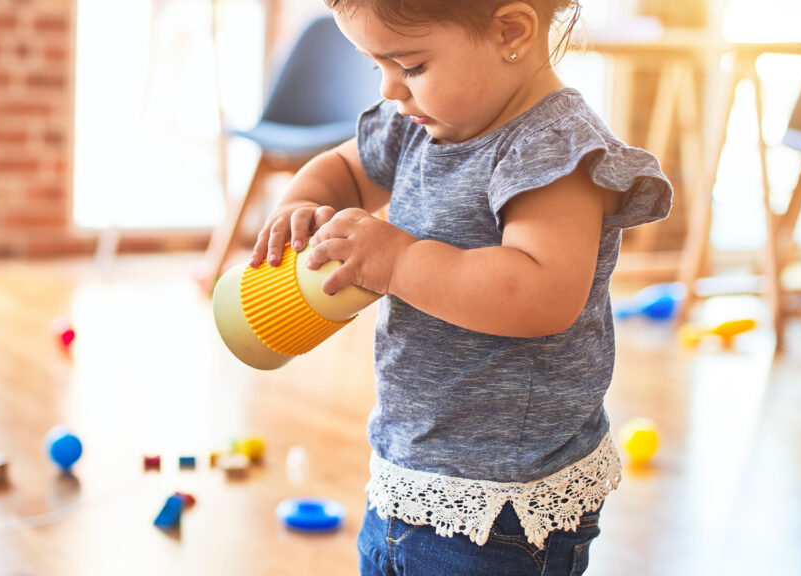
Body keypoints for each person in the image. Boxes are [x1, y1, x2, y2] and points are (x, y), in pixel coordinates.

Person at [248, 1, 673, 574]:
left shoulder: (551, 147)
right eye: (376, 64)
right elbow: (345, 171)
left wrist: (400, 263)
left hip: (504, 504)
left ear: (511, 32)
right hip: (411, 467)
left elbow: (541, 293)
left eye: (411, 65)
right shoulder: (418, 123)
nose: (391, 89)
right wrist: (301, 205)